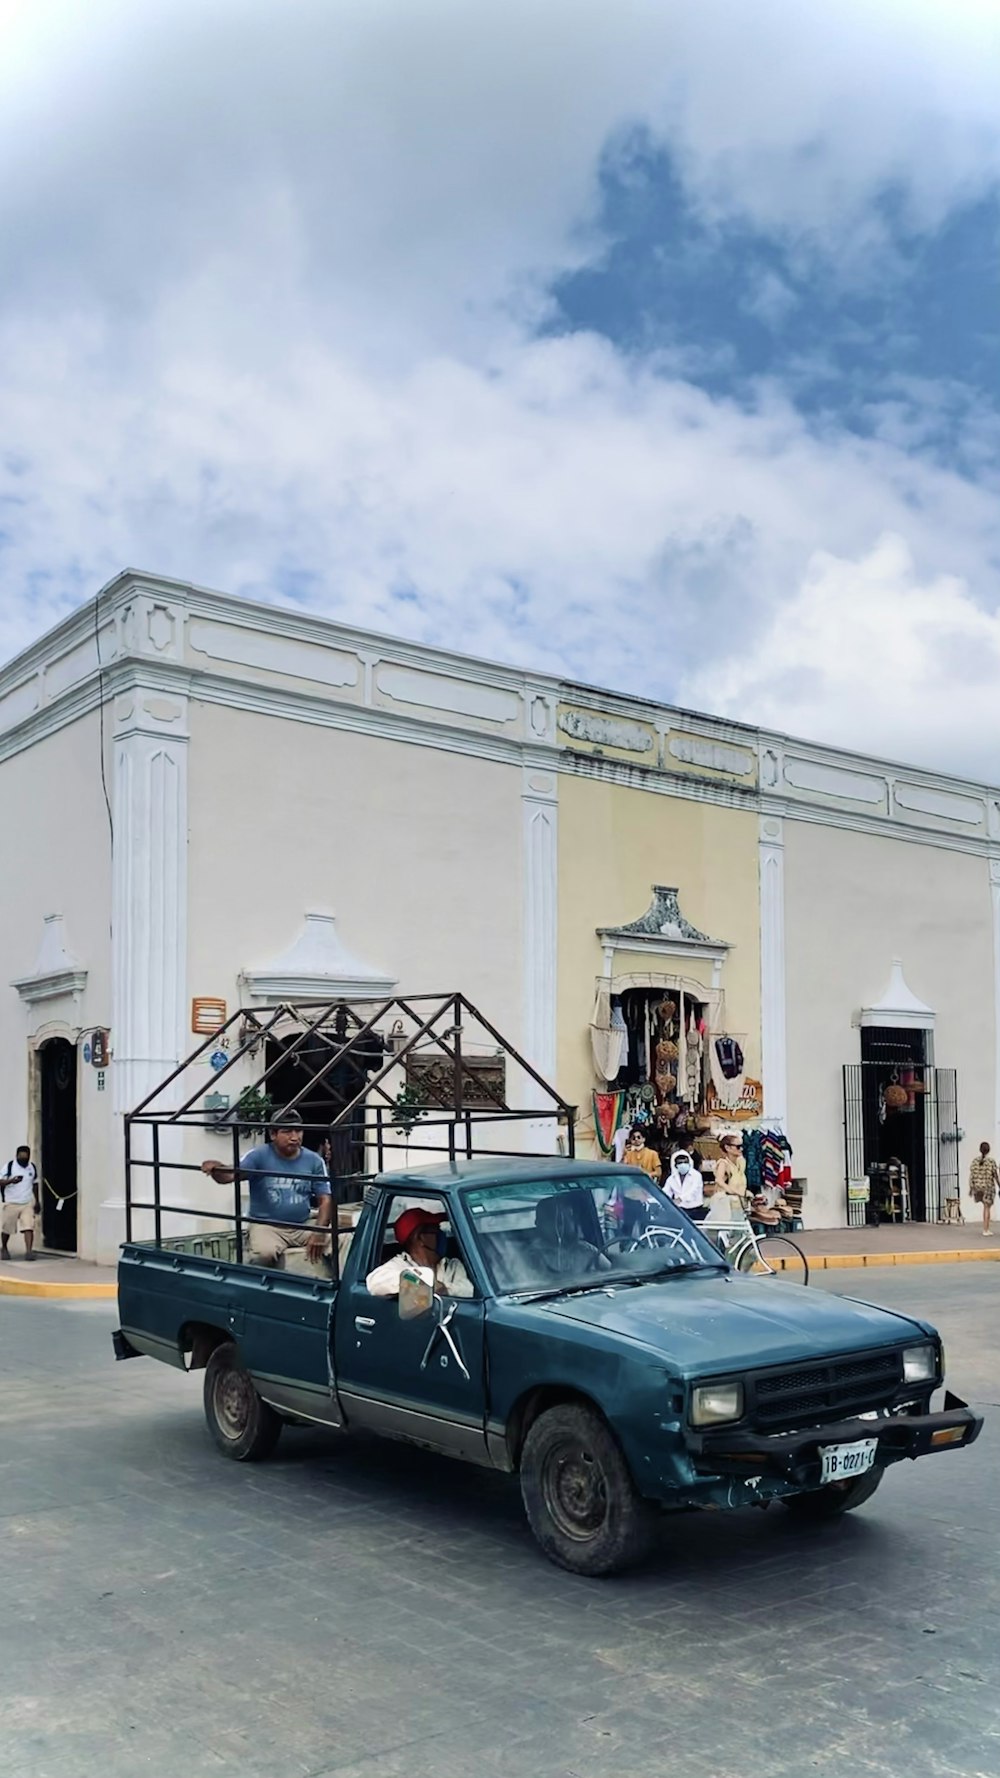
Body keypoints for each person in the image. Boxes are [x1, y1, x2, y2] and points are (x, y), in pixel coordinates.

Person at [201, 1116, 331, 1266]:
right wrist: (216, 1168)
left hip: (302, 1224)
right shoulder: (259, 1155)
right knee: (263, 1254)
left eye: (298, 1131)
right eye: (287, 1132)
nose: (294, 1137)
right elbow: (230, 1175)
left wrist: (320, 1231)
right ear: (273, 1134)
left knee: (343, 1241)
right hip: (268, 1227)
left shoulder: (314, 1160)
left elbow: (325, 1199)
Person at [366, 1207, 473, 1297]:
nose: (441, 1234)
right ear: (420, 1238)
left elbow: (468, 1290)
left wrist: (445, 1290)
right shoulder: (399, 1264)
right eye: (435, 1230)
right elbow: (374, 1283)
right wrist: (420, 1281)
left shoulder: (452, 1265)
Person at [525, 1194, 612, 1279]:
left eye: (568, 1218)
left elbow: (611, 1274)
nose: (562, 1226)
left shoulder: (587, 1250)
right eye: (555, 1221)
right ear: (539, 1223)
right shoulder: (531, 1257)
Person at [1, 1145, 40, 1261]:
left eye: (25, 1156)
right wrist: (11, 1181)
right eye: (21, 1156)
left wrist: (37, 1201)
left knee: (29, 1227)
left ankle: (29, 1252)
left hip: (26, 1203)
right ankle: (4, 1248)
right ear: (17, 1155)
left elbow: (35, 1184)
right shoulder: (9, 1167)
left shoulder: (31, 1167)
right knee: (7, 1229)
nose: (23, 1158)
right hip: (11, 1202)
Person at [663, 1148, 707, 1221]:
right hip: (679, 1210)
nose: (683, 1164)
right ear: (675, 1165)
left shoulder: (696, 1175)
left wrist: (679, 1199)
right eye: (680, 1163)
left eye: (685, 1162)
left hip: (695, 1210)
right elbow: (666, 1192)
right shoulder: (671, 1178)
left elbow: (693, 1191)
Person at [968, 1140, 999, 1237]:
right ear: (988, 1150)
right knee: (987, 1208)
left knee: (984, 1206)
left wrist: (971, 1187)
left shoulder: (975, 1161)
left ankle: (985, 1228)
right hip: (988, 1187)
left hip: (977, 1187)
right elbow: (995, 1176)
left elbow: (972, 1174)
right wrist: (999, 1185)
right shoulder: (991, 1162)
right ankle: (986, 1229)